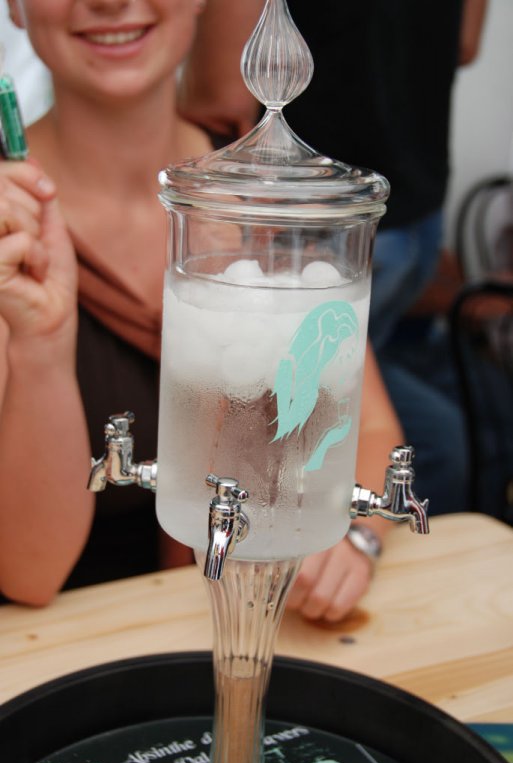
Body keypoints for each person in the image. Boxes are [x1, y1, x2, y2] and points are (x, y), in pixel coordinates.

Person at [0, 0, 403, 622]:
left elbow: (370, 428)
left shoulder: (270, 187)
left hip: (260, 618)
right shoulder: (11, 227)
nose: (109, 2)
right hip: (81, 637)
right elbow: (30, 572)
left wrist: (356, 537)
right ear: (15, 8)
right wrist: (43, 346)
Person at [178, 0, 489, 518]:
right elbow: (466, 42)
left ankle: (316, 535)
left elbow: (221, 95)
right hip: (413, 192)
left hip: (312, 225)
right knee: (402, 424)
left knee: (305, 421)